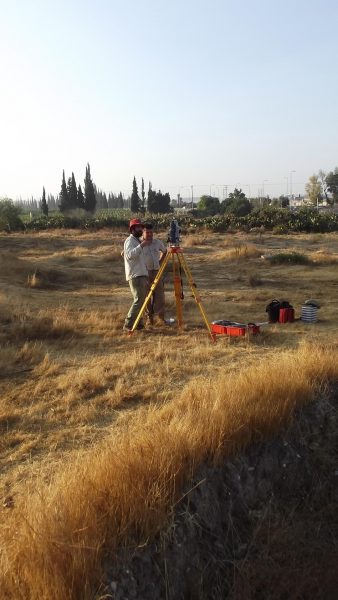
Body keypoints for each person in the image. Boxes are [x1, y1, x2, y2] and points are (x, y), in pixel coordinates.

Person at [123, 219, 151, 331]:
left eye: (141, 227)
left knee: (141, 301)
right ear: (133, 229)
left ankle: (138, 324)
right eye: (138, 227)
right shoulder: (130, 241)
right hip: (136, 275)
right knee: (138, 300)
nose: (141, 229)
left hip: (141, 274)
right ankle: (128, 324)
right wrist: (142, 245)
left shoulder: (136, 241)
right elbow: (129, 255)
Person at [142, 223, 167, 324]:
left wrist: (160, 261)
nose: (149, 234)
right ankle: (149, 317)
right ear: (143, 232)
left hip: (157, 271)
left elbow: (164, 251)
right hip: (145, 272)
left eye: (151, 232)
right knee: (147, 295)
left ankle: (160, 317)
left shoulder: (157, 242)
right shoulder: (139, 243)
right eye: (147, 232)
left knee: (160, 295)